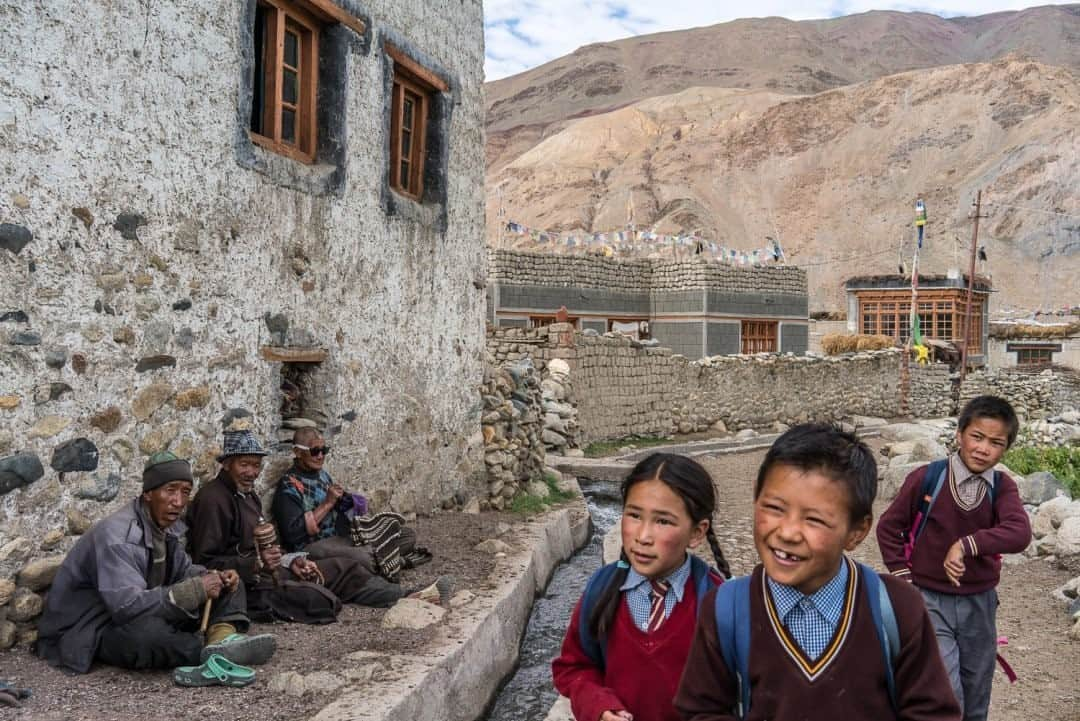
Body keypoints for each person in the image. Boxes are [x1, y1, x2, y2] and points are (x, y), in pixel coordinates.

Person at [675, 424, 960, 721]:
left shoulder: (898, 608)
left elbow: (933, 713)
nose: (787, 532)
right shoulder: (726, 608)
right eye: (773, 508)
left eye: (814, 520)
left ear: (857, 531)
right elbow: (700, 710)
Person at [36, 453, 276, 673]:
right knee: (148, 635)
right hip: (92, 626)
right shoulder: (118, 538)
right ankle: (207, 652)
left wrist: (214, 576)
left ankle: (220, 639)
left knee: (233, 582)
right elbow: (126, 608)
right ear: (148, 493)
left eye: (185, 492)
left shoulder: (165, 527)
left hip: (140, 607)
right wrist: (194, 590)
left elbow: (183, 570)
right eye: (170, 490)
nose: (179, 501)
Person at [877, 396, 1031, 721]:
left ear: (1005, 448)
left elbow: (1019, 533)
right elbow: (890, 528)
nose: (983, 448)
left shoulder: (1002, 488)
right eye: (976, 436)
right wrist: (906, 581)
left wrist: (967, 544)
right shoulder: (927, 478)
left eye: (995, 442)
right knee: (946, 695)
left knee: (976, 695)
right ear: (960, 434)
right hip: (930, 601)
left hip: (980, 605)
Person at [552, 453, 731, 721]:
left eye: (663, 521)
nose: (643, 536)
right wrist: (598, 706)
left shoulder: (718, 603)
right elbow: (574, 667)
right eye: (634, 515)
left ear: (697, 533)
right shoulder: (601, 589)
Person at [188, 428, 389, 618]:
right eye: (244, 464)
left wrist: (291, 561)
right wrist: (257, 564)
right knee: (318, 599)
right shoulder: (213, 499)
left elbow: (268, 547)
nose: (251, 472)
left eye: (256, 465)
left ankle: (396, 595)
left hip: (268, 570)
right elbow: (205, 562)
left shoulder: (248, 495)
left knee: (344, 567)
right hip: (244, 583)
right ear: (227, 464)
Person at [272, 428, 435, 607]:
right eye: (315, 451)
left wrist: (347, 502)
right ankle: (390, 566)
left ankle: (386, 560)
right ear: (298, 452)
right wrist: (327, 504)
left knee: (404, 535)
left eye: (323, 451)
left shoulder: (323, 475)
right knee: (366, 559)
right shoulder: (289, 485)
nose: (320, 456)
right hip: (313, 545)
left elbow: (339, 511)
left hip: (339, 537)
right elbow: (293, 534)